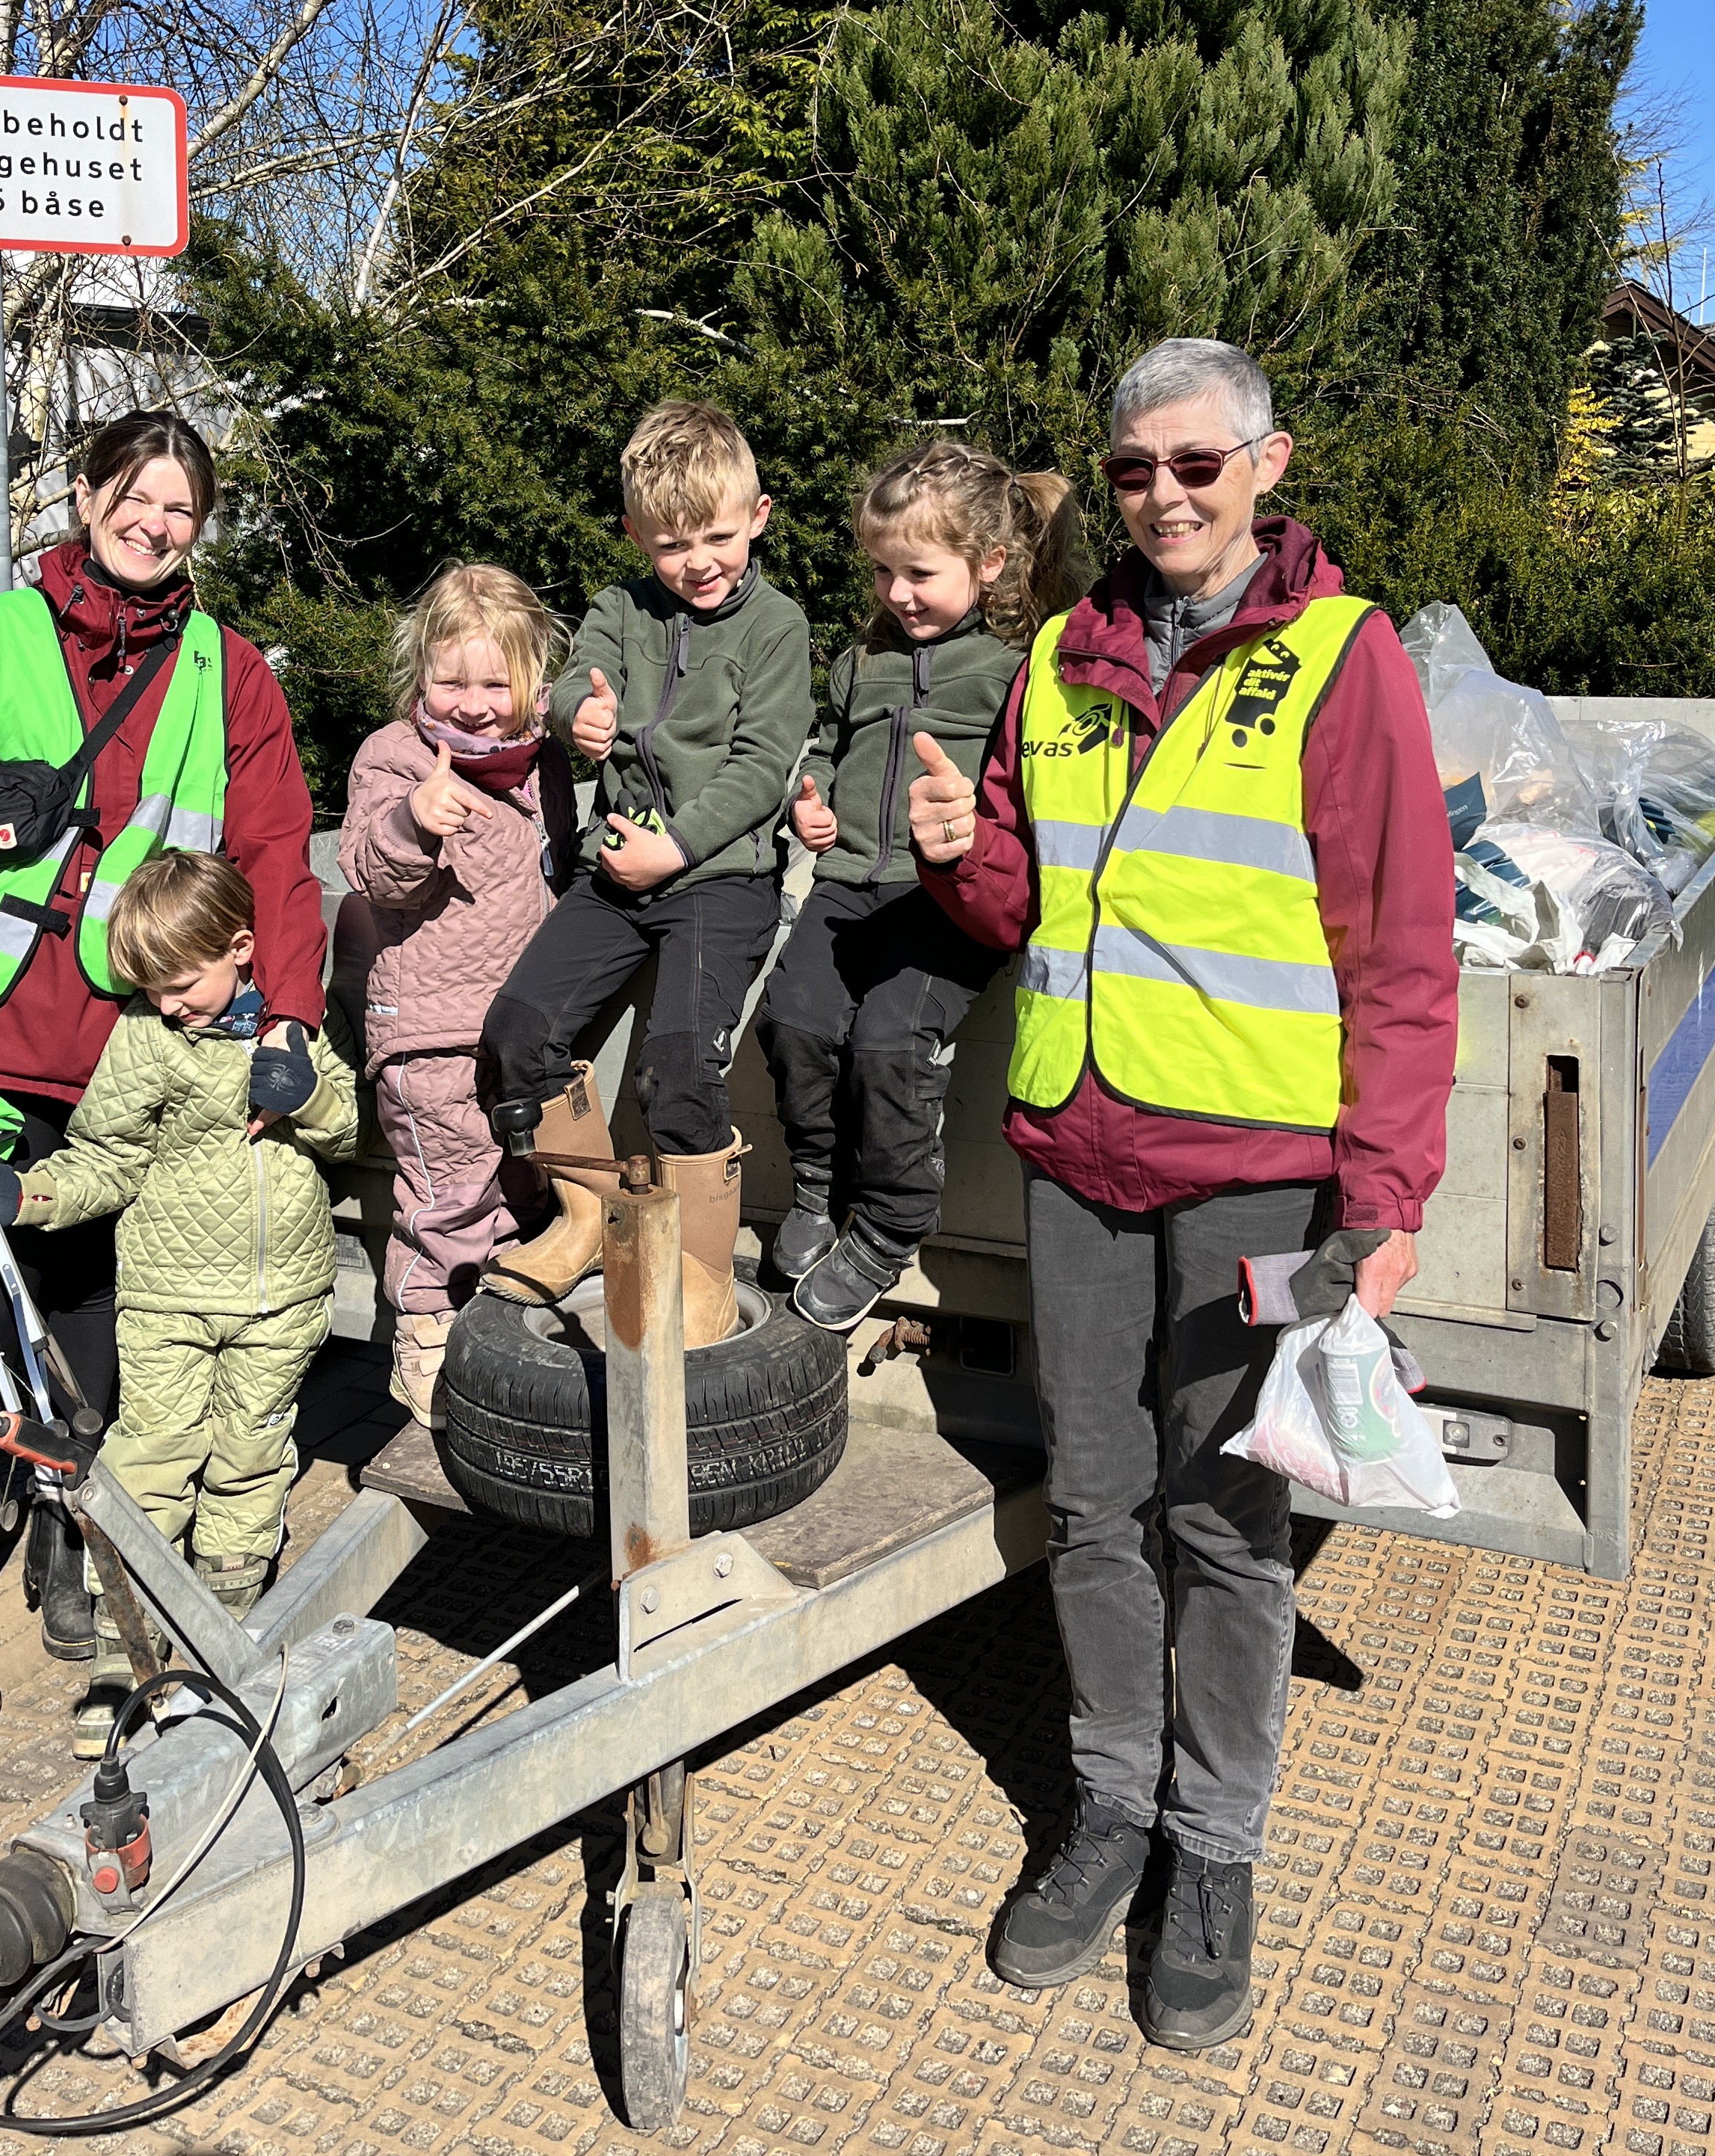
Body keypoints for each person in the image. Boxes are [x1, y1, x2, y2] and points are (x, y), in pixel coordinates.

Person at [911, 339, 1456, 2048]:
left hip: (1256, 1183)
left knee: (1227, 1524)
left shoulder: (1341, 660)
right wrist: (959, 857)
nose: (1164, 495)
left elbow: (1400, 948)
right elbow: (1025, 903)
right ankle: (1112, 1810)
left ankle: (1214, 1852)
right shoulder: (1057, 661)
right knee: (1091, 1507)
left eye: (1197, 464)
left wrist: (1384, 1196)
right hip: (1079, 1160)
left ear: (1265, 467)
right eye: (1135, 469)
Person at [0, 409, 327, 1740]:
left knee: (102, 1299)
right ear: (83, 492)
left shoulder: (229, 673)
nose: (154, 524)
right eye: (135, 495)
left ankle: (69, 1534)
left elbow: (275, 852)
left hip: (133, 1048)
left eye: (180, 509)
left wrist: (286, 1019)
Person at [0, 852, 357, 1755]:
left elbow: (350, 1130)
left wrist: (310, 1096)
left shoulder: (293, 1025)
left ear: (240, 949)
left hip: (282, 1299)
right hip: (170, 1297)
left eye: (180, 986)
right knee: (152, 1459)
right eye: (152, 990)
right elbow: (107, 1157)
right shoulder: (146, 1038)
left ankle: (225, 1634)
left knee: (250, 1457)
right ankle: (122, 1652)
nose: (169, 1005)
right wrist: (27, 1194)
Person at [479, 401, 815, 1348]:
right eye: (671, 544)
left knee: (679, 1068)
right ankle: (586, 1217)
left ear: (758, 517)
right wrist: (572, 717)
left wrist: (680, 847)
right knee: (517, 1031)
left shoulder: (778, 626)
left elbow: (763, 765)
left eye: (717, 537)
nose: (698, 562)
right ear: (636, 535)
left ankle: (703, 1271)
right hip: (615, 872)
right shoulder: (618, 609)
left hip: (720, 878)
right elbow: (570, 684)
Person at [756, 443, 1091, 1331]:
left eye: (919, 573)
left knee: (889, 1046)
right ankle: (820, 1183)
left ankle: (892, 1222)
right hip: (846, 886)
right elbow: (829, 749)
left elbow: (1031, 787)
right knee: (791, 1021)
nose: (897, 592)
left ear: (989, 565)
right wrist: (811, 801)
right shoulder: (862, 661)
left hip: (945, 901)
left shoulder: (1018, 669)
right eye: (882, 570)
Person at [336, 564, 577, 1425]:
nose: (473, 706)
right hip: (433, 1038)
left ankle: (496, 1340)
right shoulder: (397, 756)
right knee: (450, 1198)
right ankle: (425, 1340)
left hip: (516, 1036)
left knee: (523, 1188)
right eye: (451, 682)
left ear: (534, 682)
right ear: (420, 673)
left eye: (494, 684)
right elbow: (371, 870)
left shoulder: (544, 763)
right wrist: (413, 821)